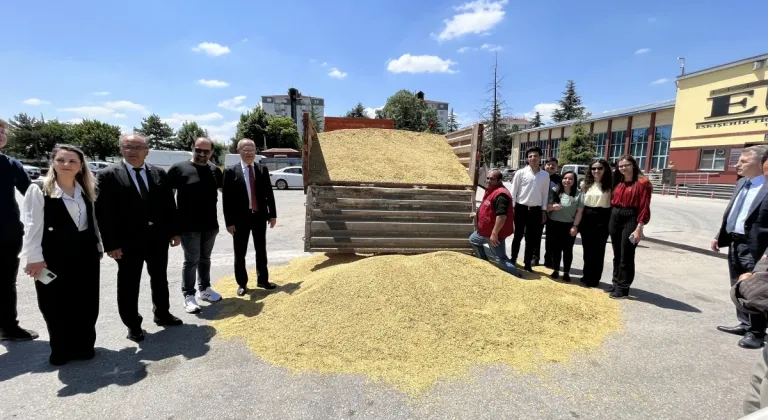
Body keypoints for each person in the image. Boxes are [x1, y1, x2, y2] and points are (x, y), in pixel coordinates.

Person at [95, 134, 182, 343]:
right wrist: (111, 244)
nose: (133, 151)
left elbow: (169, 205)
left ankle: (162, 313)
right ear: (121, 150)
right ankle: (133, 324)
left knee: (160, 279)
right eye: (128, 147)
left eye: (138, 147)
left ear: (147, 151)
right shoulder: (108, 175)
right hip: (126, 244)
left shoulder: (158, 173)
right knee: (128, 284)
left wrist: (174, 231)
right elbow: (103, 213)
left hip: (158, 240)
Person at [20, 145, 102, 365]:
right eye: (61, 160)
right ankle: (61, 349)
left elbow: (92, 222)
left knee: (86, 301)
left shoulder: (85, 187)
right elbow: (31, 226)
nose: (67, 165)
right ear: (53, 163)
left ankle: (84, 345)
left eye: (73, 161)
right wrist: (33, 257)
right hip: (52, 256)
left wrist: (99, 247)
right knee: (54, 303)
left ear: (80, 165)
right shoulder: (39, 189)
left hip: (85, 254)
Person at [712, 145, 768, 349]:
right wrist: (721, 235)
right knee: (738, 284)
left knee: (756, 289)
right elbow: (735, 212)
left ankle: (757, 333)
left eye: (743, 161)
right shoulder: (743, 183)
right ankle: (745, 323)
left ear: (761, 163)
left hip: (758, 248)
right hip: (736, 242)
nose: (737, 164)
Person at [167, 138, 224, 314]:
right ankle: (189, 295)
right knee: (191, 260)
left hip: (210, 225)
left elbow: (228, 193)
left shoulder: (215, 170)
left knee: (205, 259)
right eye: (198, 150)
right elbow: (167, 200)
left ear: (211, 153)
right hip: (188, 226)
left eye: (206, 151)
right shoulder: (178, 169)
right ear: (192, 149)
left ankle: (204, 289)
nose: (202, 154)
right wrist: (172, 229)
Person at [0, 118, 39, 342]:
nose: (1, 134)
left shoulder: (12, 164)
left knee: (6, 283)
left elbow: (32, 194)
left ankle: (8, 327)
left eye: (3, 131)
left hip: (7, 235)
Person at [223, 139, 277, 296]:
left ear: (256, 151)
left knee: (261, 250)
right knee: (240, 253)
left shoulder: (262, 169)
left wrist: (272, 214)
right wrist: (229, 222)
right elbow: (226, 200)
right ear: (238, 151)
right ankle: (242, 283)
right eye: (245, 149)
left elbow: (269, 194)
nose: (248, 152)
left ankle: (263, 280)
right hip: (240, 219)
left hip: (259, 217)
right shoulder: (231, 171)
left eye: (252, 149)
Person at [608, 154, 652, 299]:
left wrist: (640, 227)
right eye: (620, 166)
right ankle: (616, 282)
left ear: (633, 165)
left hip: (631, 217)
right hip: (615, 215)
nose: (623, 168)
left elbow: (644, 206)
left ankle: (623, 287)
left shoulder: (642, 183)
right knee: (617, 253)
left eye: (626, 165)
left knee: (626, 253)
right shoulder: (618, 181)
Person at [469, 169, 518, 277]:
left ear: (500, 180)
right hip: (484, 231)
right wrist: (476, 214)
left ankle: (517, 276)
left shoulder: (501, 194)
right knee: (473, 239)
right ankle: (485, 263)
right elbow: (486, 207)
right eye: (488, 178)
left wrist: (494, 234)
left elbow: (501, 216)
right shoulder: (491, 190)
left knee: (500, 259)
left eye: (492, 179)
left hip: (494, 234)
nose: (488, 181)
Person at [509, 147, 550, 271]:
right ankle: (513, 259)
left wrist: (543, 211)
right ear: (527, 158)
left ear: (540, 158)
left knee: (531, 238)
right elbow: (513, 192)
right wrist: (512, 208)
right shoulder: (520, 173)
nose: (533, 158)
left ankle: (527, 263)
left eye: (536, 156)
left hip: (536, 210)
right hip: (521, 208)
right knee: (518, 236)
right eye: (530, 156)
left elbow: (545, 195)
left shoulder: (545, 175)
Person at [580, 159, 613, 287]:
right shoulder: (585, 184)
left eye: (599, 168)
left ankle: (594, 278)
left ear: (605, 169)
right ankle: (586, 275)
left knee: (598, 251)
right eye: (594, 168)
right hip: (587, 218)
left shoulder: (610, 185)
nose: (596, 171)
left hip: (602, 218)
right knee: (587, 249)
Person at [546, 171, 584, 282]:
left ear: (574, 181)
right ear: (562, 179)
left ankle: (566, 272)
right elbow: (547, 207)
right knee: (556, 249)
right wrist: (553, 207)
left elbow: (579, 212)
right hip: (554, 224)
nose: (567, 181)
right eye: (565, 178)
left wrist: (575, 226)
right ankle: (556, 269)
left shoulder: (578, 194)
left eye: (570, 179)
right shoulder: (555, 191)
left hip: (569, 225)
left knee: (568, 250)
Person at [538, 157, 560, 268]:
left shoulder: (560, 180)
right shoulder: (539, 177)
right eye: (549, 165)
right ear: (544, 165)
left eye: (553, 166)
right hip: (538, 211)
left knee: (551, 238)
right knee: (536, 236)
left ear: (556, 168)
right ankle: (534, 258)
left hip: (553, 212)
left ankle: (549, 260)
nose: (550, 167)